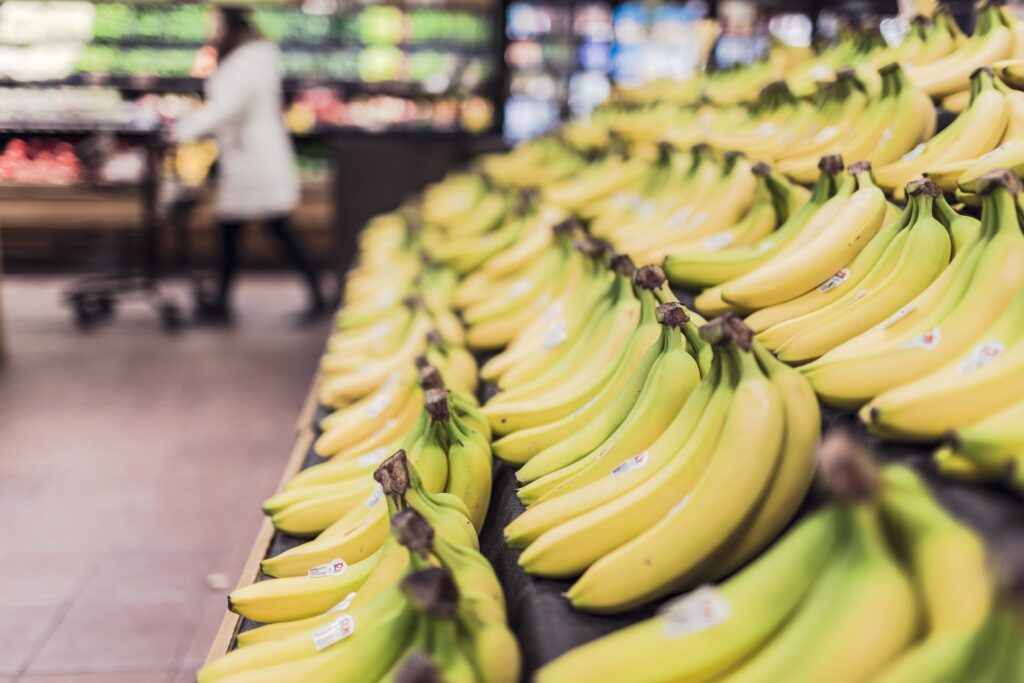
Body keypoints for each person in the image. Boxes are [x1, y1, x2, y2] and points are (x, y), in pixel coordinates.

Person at [173, 6, 327, 323]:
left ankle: (316, 295)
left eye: (214, 22)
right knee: (234, 230)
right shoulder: (252, 56)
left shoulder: (247, 61)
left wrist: (184, 128)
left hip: (254, 159)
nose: (211, 29)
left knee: (275, 229)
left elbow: (227, 108)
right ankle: (223, 301)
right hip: (246, 156)